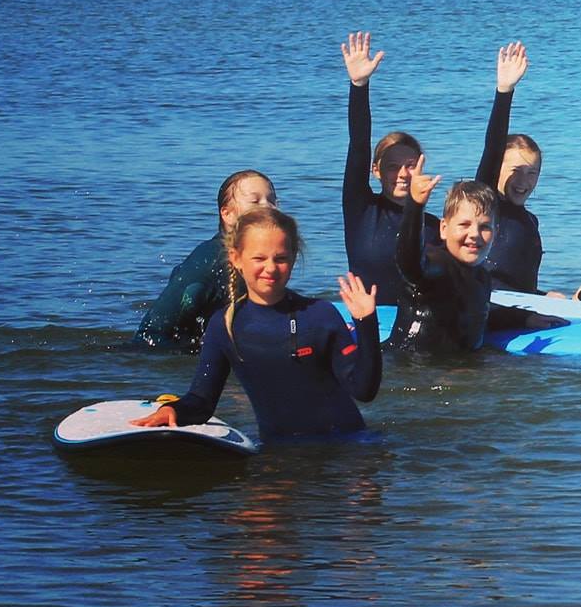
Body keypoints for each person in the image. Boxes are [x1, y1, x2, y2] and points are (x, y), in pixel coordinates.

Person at [131, 207, 382, 439]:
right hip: (277, 451)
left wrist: (366, 322)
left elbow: (363, 389)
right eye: (259, 258)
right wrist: (173, 410)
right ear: (236, 258)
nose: (270, 268)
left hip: (345, 448)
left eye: (281, 258)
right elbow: (202, 402)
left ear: (294, 257)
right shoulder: (225, 325)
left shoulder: (320, 316)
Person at [135, 169, 278, 349]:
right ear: (227, 214)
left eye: (272, 200)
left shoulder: (270, 259)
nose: (268, 207)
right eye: (255, 201)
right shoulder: (209, 259)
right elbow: (149, 334)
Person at [340, 30, 433, 305]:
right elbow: (358, 145)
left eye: (411, 165)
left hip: (414, 328)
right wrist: (359, 85)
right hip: (369, 319)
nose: (403, 174)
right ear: (376, 170)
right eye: (393, 167)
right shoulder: (362, 211)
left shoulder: (433, 227)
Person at [389, 158, 497, 354]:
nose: (474, 234)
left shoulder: (482, 277)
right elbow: (409, 262)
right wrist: (415, 206)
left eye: (485, 227)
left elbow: (478, 312)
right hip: (411, 368)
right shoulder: (436, 264)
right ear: (444, 229)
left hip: (455, 369)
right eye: (464, 225)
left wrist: (524, 318)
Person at [474, 40, 547, 297]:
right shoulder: (486, 206)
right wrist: (505, 91)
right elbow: (492, 148)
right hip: (490, 314)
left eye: (532, 173)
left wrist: (546, 297)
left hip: (522, 314)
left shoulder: (530, 221)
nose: (523, 181)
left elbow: (521, 286)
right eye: (515, 170)